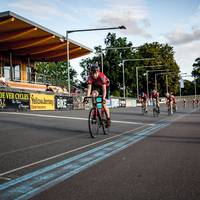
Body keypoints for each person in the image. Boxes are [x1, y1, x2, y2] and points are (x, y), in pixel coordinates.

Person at [85, 63, 110, 127]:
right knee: (93, 95)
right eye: (92, 73)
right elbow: (89, 88)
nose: (94, 75)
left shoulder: (102, 76)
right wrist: (87, 97)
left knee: (104, 104)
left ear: (98, 72)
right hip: (97, 87)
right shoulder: (90, 77)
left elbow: (104, 89)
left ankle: (108, 119)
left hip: (105, 86)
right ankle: (95, 112)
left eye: (95, 73)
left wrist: (103, 98)